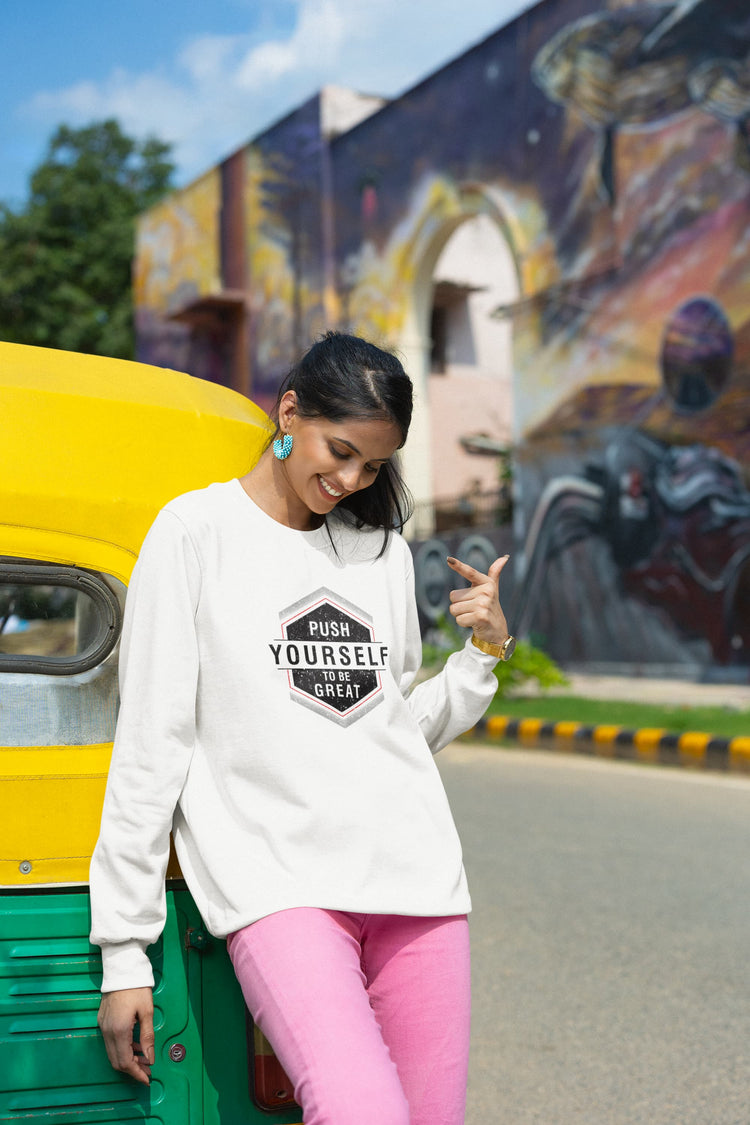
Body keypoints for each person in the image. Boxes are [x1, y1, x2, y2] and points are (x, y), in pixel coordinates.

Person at [89, 331, 513, 1125]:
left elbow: (389, 724)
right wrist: (124, 952)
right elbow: (151, 746)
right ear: (289, 410)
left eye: (373, 466)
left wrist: (481, 656)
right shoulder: (195, 534)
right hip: (281, 891)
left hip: (417, 885)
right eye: (340, 449)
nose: (350, 479)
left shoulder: (379, 552)